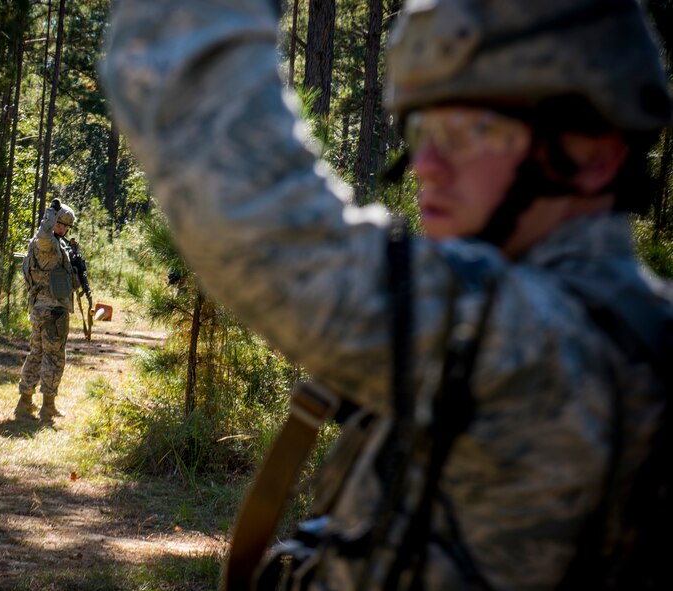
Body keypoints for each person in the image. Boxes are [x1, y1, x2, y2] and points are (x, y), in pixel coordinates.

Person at [103, 0, 673, 589]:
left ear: (594, 155)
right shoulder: (611, 330)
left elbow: (255, 216)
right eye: (423, 129)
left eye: (471, 131)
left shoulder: (551, 349)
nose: (425, 164)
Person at [15, 198, 81, 422]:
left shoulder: (58, 244)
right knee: (52, 357)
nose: (61, 228)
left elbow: (67, 280)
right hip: (50, 310)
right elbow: (44, 235)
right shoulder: (46, 242)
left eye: (65, 226)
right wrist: (50, 212)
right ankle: (46, 406)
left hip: (48, 308)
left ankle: (25, 402)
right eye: (59, 223)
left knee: (38, 353)